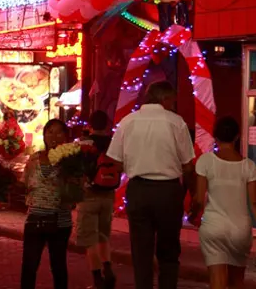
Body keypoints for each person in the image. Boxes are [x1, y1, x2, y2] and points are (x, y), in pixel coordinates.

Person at [107, 81, 195, 289]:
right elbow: (188, 164)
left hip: (139, 190)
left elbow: (115, 160)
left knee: (141, 251)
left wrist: (133, 164)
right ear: (165, 99)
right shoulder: (176, 122)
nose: (173, 105)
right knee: (169, 250)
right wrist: (192, 193)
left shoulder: (128, 121)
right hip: (168, 191)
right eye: (172, 101)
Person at [191, 116, 256, 289]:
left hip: (214, 227)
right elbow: (255, 202)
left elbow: (199, 199)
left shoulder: (206, 161)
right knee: (236, 281)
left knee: (217, 281)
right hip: (240, 229)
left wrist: (193, 215)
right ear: (237, 136)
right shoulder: (248, 166)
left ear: (215, 136)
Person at [20, 119, 73, 289]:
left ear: (65, 136)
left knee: (58, 266)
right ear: (44, 135)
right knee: (29, 265)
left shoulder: (71, 161)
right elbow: (24, 183)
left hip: (60, 221)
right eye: (50, 132)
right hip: (35, 219)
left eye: (59, 132)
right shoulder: (34, 158)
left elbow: (77, 189)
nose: (54, 136)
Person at [76, 110, 117, 289]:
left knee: (89, 239)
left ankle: (97, 278)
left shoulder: (83, 143)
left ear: (90, 124)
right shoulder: (113, 143)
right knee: (103, 234)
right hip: (108, 195)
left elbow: (76, 168)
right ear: (107, 124)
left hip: (88, 195)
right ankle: (108, 267)